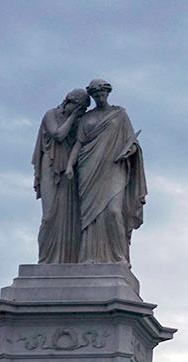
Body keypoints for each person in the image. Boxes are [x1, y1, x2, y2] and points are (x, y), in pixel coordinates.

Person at [67, 78, 146, 264]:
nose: (100, 97)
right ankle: (89, 256)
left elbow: (132, 141)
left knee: (113, 211)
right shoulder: (86, 118)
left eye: (102, 94)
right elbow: (79, 144)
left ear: (108, 93)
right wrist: (70, 165)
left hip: (114, 166)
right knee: (90, 215)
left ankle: (119, 257)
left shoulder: (119, 115)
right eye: (96, 95)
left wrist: (130, 150)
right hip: (89, 167)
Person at [32, 88, 89, 263]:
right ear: (69, 101)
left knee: (68, 217)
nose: (82, 112)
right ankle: (45, 259)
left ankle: (65, 259)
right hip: (50, 165)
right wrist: (73, 117)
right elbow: (58, 134)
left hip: (69, 171)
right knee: (49, 216)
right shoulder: (51, 115)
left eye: (84, 110)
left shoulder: (79, 122)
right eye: (80, 107)